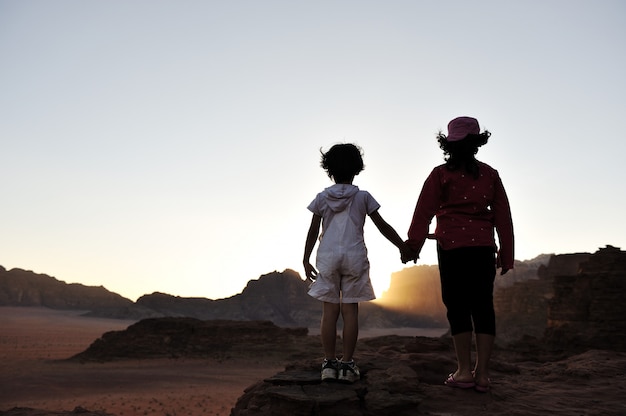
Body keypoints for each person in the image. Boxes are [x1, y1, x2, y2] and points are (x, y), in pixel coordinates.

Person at [406, 116, 514, 393]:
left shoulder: (440, 174)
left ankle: (464, 371)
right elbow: (503, 217)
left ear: (449, 145)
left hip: (451, 246)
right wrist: (507, 253)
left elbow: (424, 212)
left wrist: (413, 245)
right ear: (477, 144)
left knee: (457, 305)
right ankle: (483, 375)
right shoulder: (490, 175)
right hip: (482, 247)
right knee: (483, 305)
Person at [303, 143, 414, 383]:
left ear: (328, 169)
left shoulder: (322, 198)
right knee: (350, 310)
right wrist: (402, 247)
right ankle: (346, 365)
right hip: (354, 256)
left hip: (328, 257)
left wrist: (305, 258)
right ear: (357, 169)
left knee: (329, 311)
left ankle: (329, 365)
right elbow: (382, 225)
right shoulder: (363, 197)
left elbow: (313, 231)